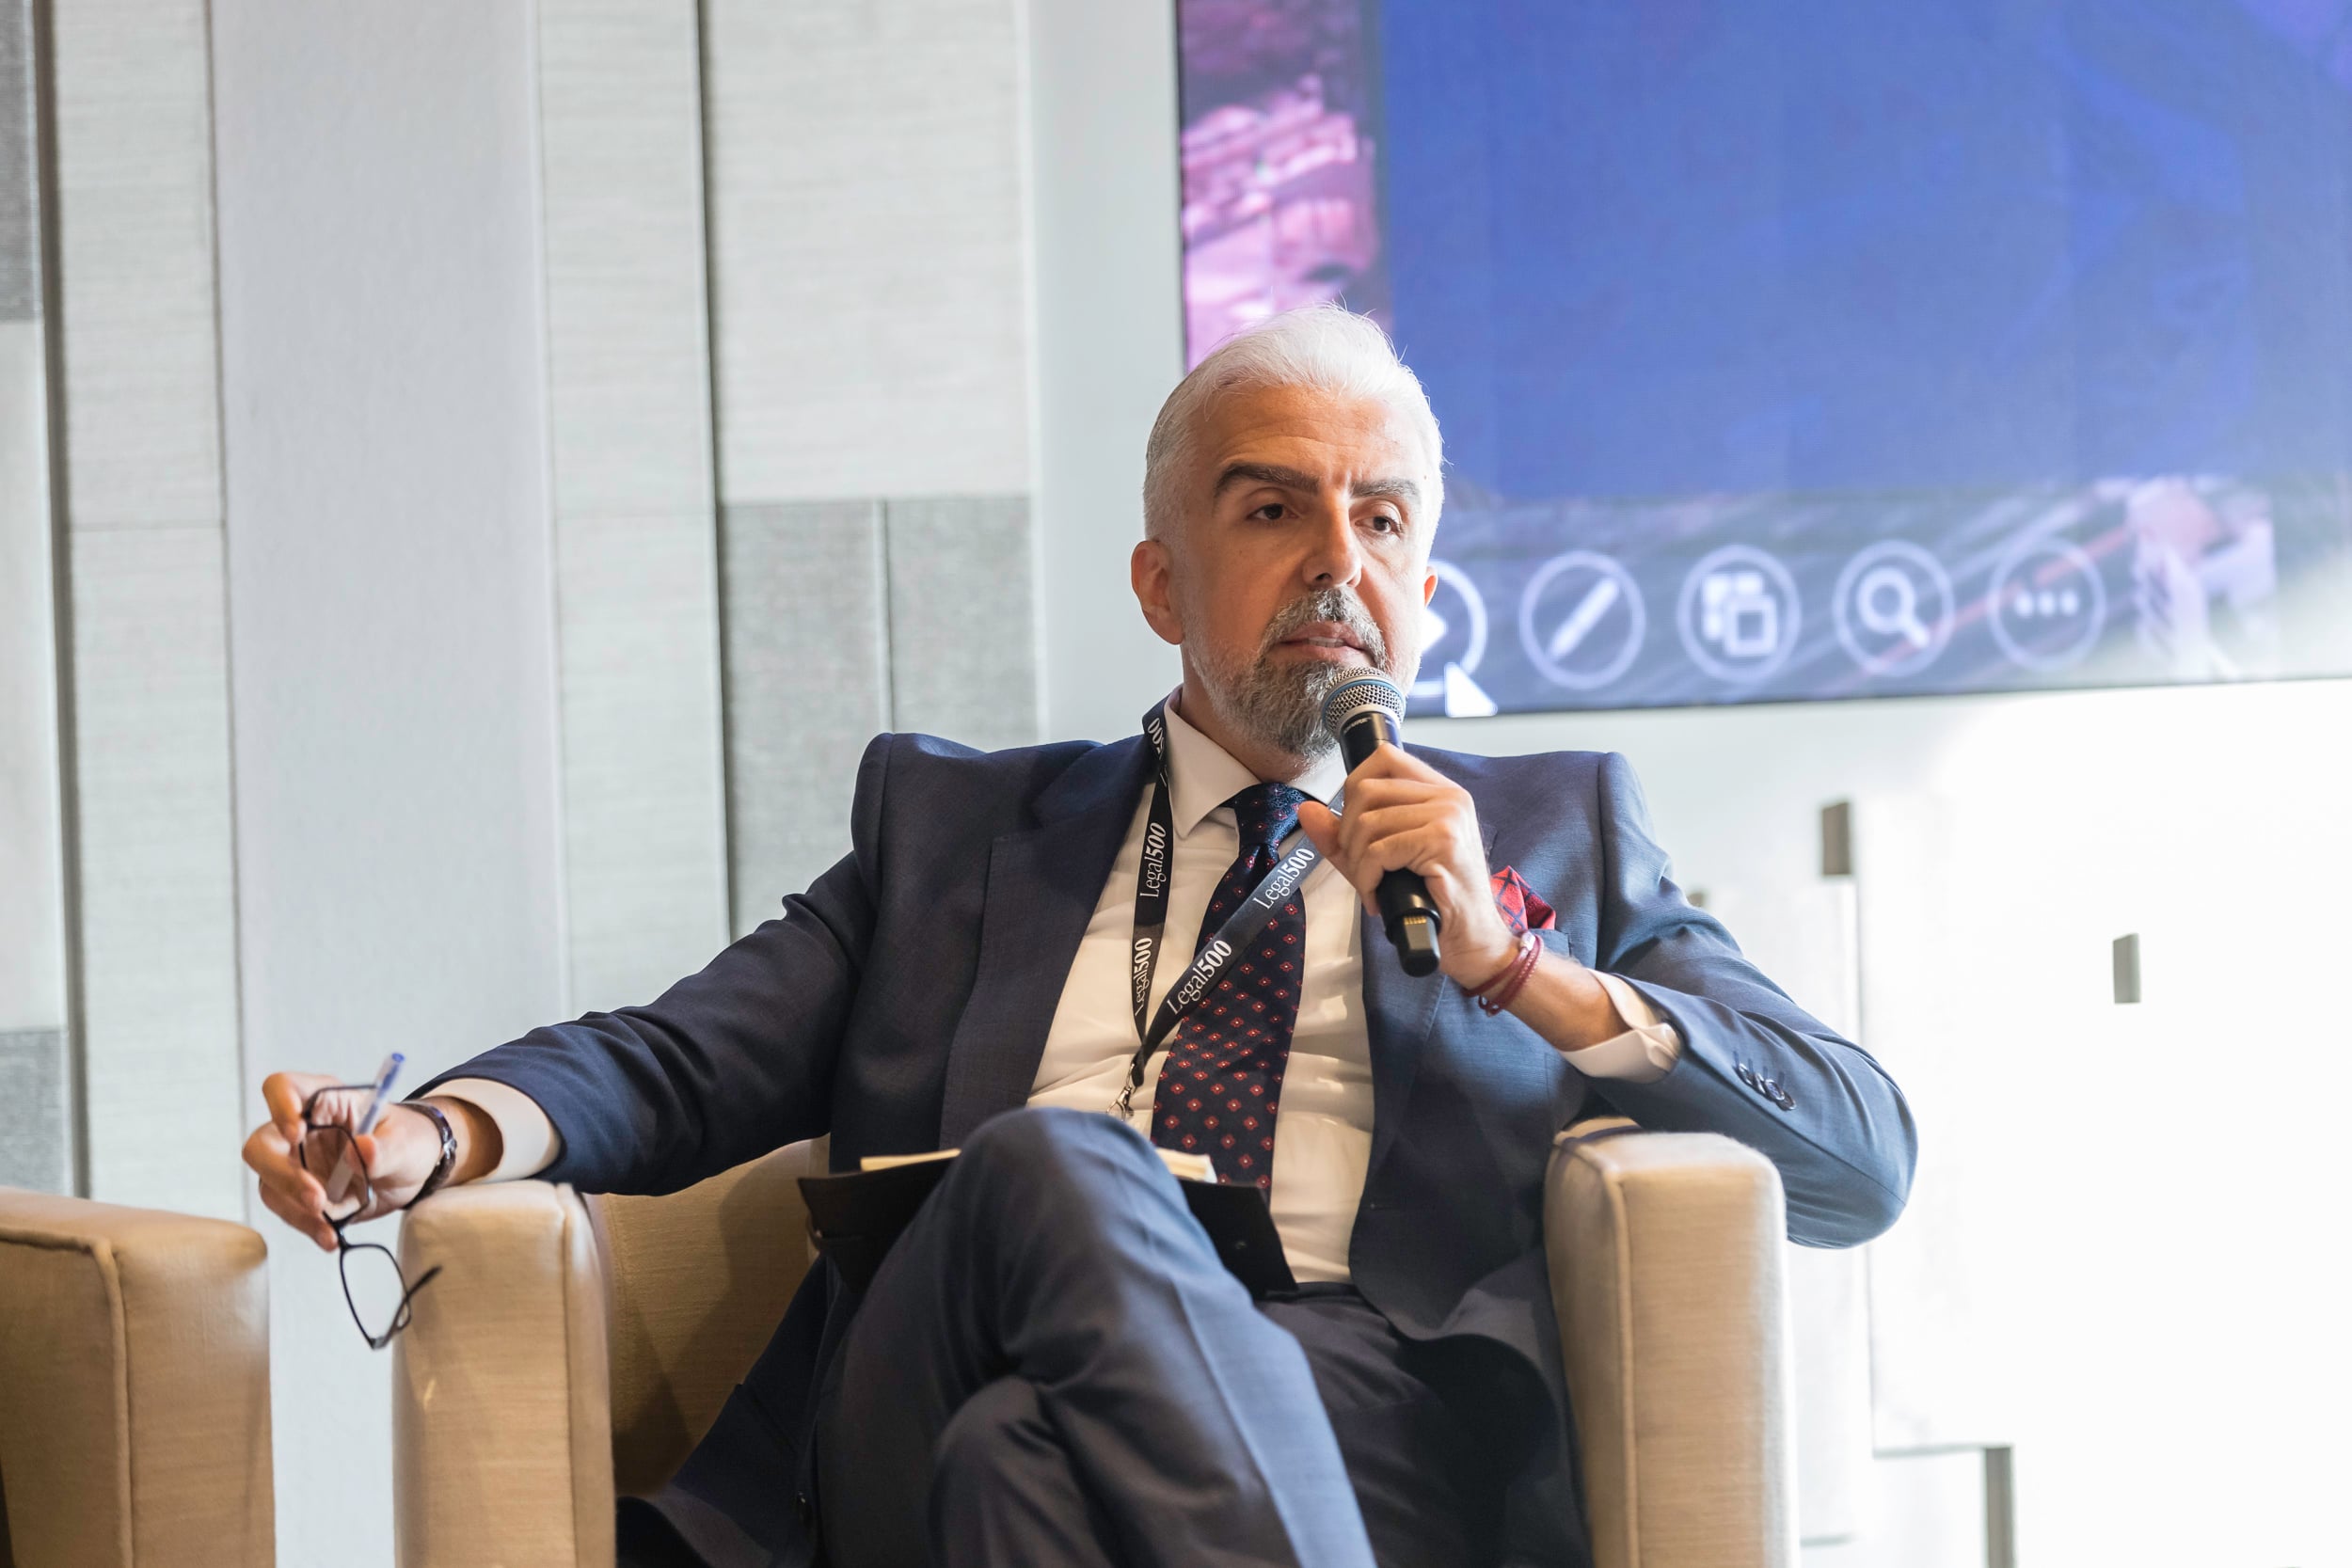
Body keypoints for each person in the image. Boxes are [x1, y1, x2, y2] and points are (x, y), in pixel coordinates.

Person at [244, 306, 1915, 1568]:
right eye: (1274, 512)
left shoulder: (1552, 833)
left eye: (1385, 521)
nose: (1339, 564)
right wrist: (431, 1132)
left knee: (1020, 1470)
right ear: (1161, 583)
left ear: (1427, 586)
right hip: (926, 1361)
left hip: (1356, 1416)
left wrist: (1515, 965)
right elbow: (680, 1058)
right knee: (1051, 1165)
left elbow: (1860, 1156)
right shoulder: (958, 833)